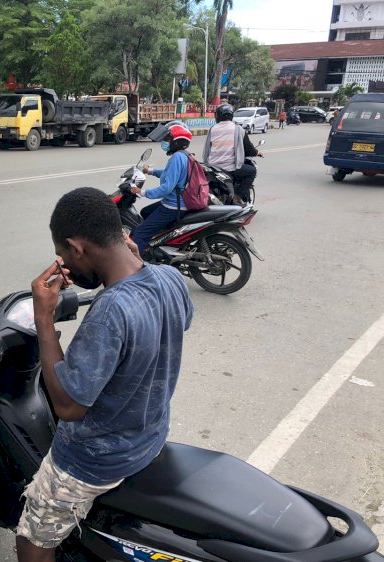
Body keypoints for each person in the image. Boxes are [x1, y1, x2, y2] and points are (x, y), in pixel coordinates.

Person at [17, 187, 193, 562]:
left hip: (94, 460)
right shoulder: (169, 278)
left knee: (33, 536)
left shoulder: (111, 310)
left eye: (63, 255)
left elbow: (67, 406)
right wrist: (140, 267)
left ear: (76, 247)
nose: (65, 264)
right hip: (149, 437)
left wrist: (43, 318)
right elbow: (181, 321)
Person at [129, 121, 192, 257]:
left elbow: (167, 188)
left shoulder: (177, 157)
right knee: (146, 212)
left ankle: (139, 268)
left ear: (177, 141)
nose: (164, 141)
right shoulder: (183, 155)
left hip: (173, 206)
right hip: (177, 202)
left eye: (168, 139)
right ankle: (161, 242)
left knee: (140, 233)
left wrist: (143, 192)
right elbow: (170, 173)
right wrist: (150, 171)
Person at [202, 103, 264, 206]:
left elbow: (208, 148)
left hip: (213, 167)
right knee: (252, 171)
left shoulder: (212, 129)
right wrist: (257, 153)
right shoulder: (238, 129)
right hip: (230, 167)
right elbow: (249, 148)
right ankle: (238, 196)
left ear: (217, 116)